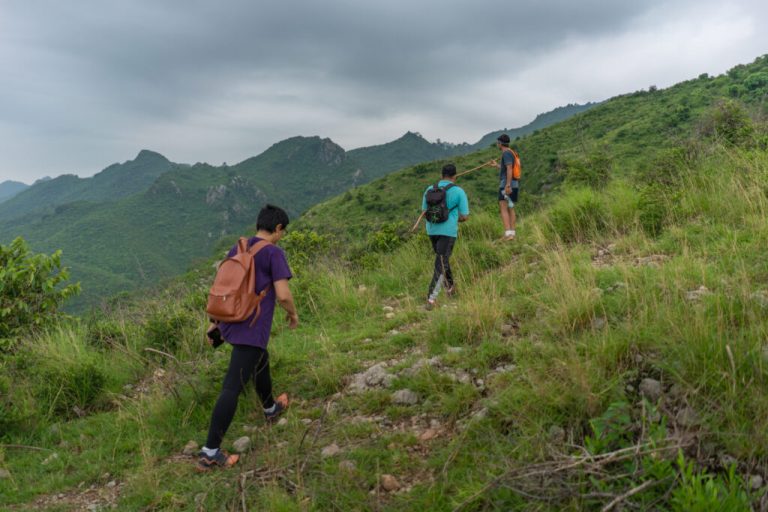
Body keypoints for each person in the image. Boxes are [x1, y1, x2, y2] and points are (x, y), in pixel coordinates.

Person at [197, 204, 299, 471]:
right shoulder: (274, 253)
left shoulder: (239, 248)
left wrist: (215, 323)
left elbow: (224, 288)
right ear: (277, 229)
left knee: (260, 358)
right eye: (283, 231)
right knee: (232, 387)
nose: (282, 236)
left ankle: (269, 408)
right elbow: (284, 294)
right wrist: (293, 315)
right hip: (251, 328)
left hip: (232, 322)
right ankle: (210, 452)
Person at [421, 163, 469, 310]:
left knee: (442, 259)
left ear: (441, 175)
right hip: (448, 232)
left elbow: (424, 211)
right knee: (441, 263)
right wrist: (456, 219)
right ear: (455, 176)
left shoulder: (430, 189)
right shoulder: (459, 191)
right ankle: (431, 298)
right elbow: (465, 216)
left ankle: (450, 287)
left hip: (432, 230)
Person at [489, 133, 519, 241]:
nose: (497, 144)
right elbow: (506, 168)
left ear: (500, 143)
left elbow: (509, 168)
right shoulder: (511, 152)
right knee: (510, 207)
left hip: (506, 185)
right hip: (514, 184)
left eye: (498, 142)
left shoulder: (506, 153)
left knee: (503, 208)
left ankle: (507, 234)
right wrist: (496, 165)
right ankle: (512, 234)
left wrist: (507, 185)